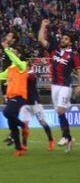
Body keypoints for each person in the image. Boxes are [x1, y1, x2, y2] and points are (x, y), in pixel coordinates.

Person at [38, 19, 80, 153]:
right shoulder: (54, 50)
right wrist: (43, 26)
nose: (63, 40)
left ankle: (64, 136)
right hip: (55, 86)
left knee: (61, 110)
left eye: (66, 39)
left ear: (70, 42)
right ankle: (69, 137)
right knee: (58, 111)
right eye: (63, 38)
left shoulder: (74, 56)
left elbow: (79, 71)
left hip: (65, 86)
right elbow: (41, 40)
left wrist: (79, 85)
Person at [0, 35, 29, 157]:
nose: (12, 53)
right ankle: (19, 148)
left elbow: (14, 59)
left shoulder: (22, 65)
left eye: (15, 52)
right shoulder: (10, 69)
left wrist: (7, 49)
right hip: (11, 98)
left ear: (19, 54)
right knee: (11, 124)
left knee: (6, 113)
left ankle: (23, 126)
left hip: (19, 97)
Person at [17, 60, 55, 151]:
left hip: (35, 104)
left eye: (24, 66)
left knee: (42, 122)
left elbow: (30, 78)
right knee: (24, 125)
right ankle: (24, 144)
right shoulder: (22, 75)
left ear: (28, 67)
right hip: (25, 104)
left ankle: (51, 140)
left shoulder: (31, 74)